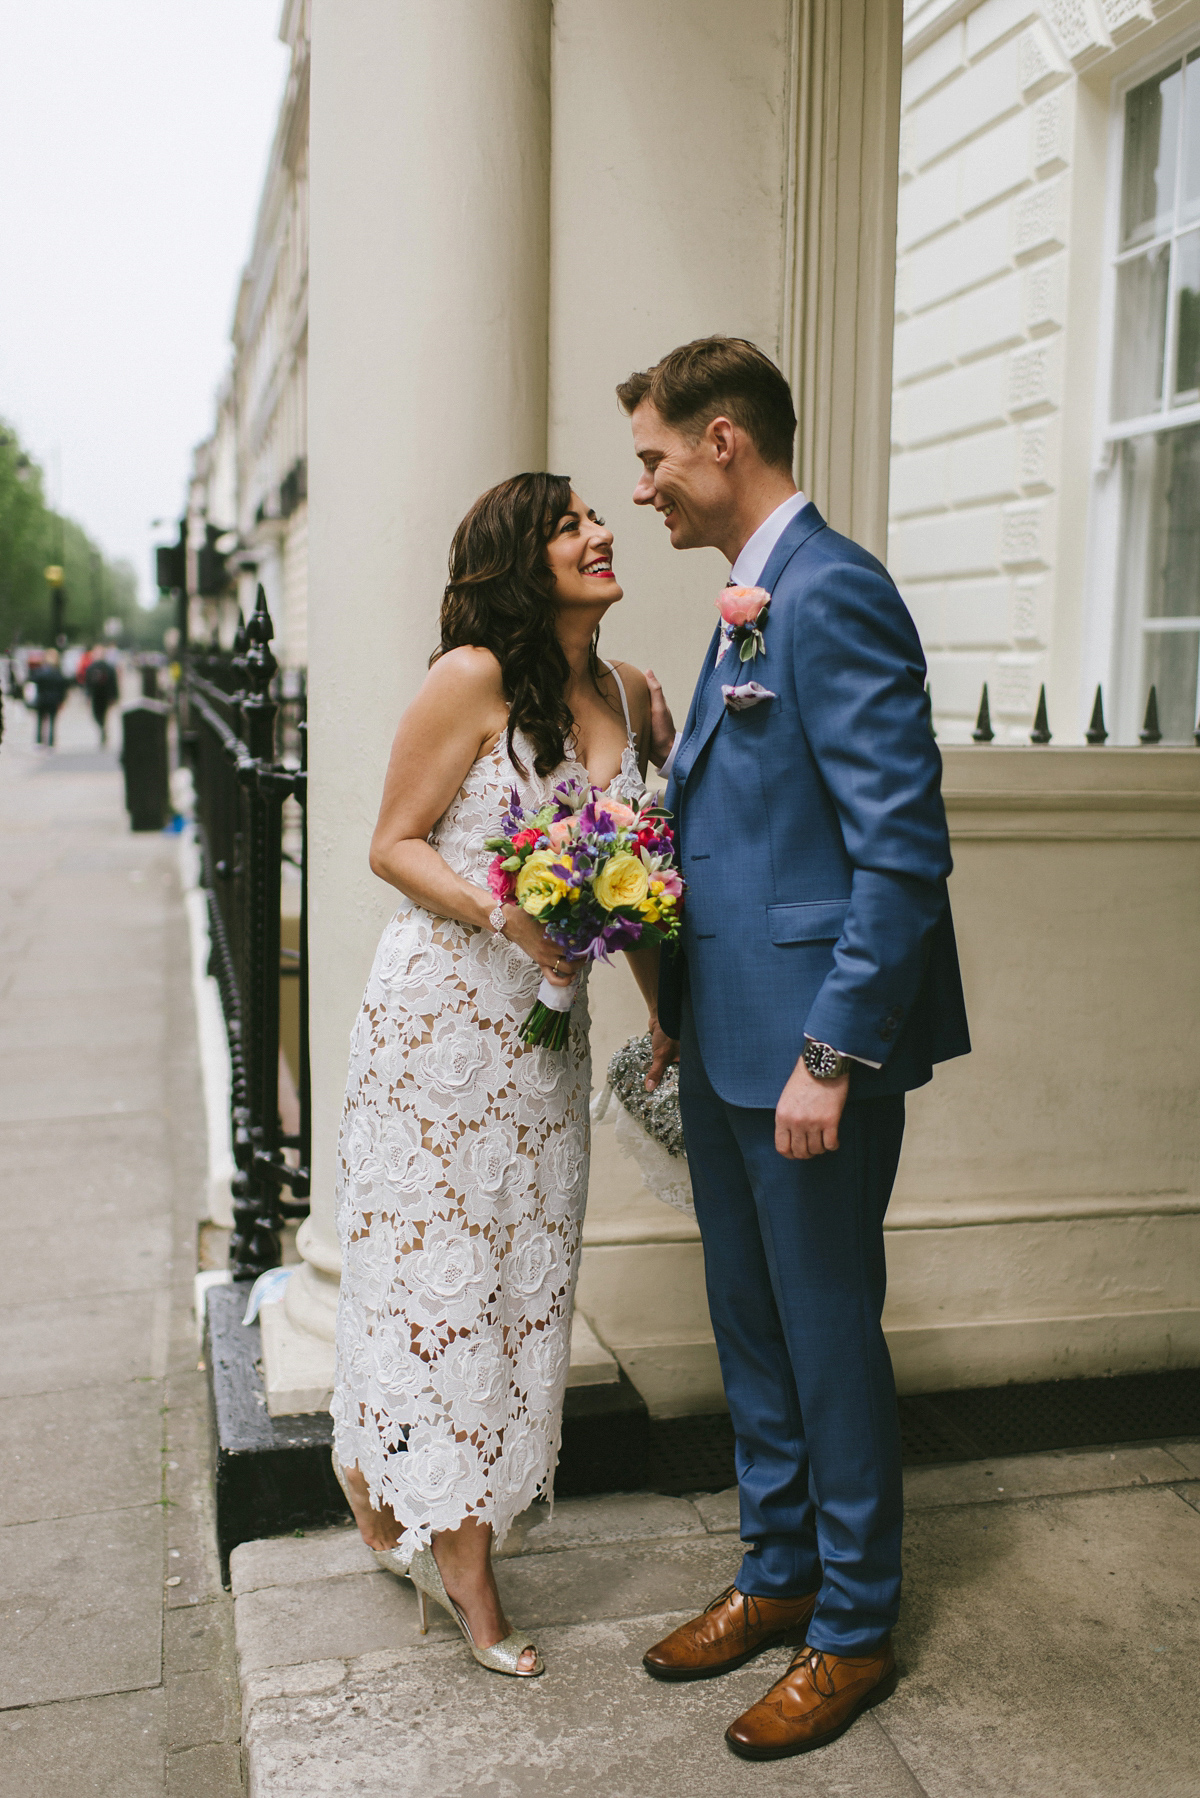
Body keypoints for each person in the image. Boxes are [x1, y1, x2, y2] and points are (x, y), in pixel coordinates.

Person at [620, 337, 970, 1759]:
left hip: (808, 1056)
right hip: (721, 1043)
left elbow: (902, 853)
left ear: (719, 440)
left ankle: (856, 1624)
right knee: (752, 1330)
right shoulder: (741, 602)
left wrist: (832, 1050)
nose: (640, 487)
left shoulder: (837, 591)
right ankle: (776, 1573)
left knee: (827, 1340)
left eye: (651, 459)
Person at [330, 472, 658, 1680]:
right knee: (437, 1273)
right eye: (572, 523)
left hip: (547, 1040)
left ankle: (378, 1466)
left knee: (524, 1273)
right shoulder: (468, 678)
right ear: (522, 558)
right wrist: (502, 910)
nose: (600, 531)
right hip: (439, 1027)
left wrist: (659, 1016)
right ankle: (466, 1574)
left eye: (596, 516)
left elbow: (642, 881)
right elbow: (390, 843)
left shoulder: (632, 694)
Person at [31, 649, 71, 747]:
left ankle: (39, 740)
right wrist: (62, 700)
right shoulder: (58, 673)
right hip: (54, 700)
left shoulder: (40, 672)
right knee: (52, 721)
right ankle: (51, 741)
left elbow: (33, 682)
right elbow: (63, 688)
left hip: (42, 699)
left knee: (40, 721)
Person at [83, 649, 119, 745]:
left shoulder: (108, 668)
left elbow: (113, 682)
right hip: (98, 695)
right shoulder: (92, 668)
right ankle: (102, 727)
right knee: (98, 714)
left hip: (103, 695)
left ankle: (102, 727)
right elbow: (88, 683)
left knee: (101, 714)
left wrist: (114, 696)